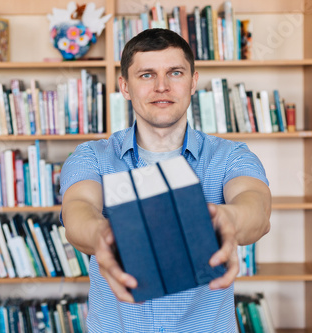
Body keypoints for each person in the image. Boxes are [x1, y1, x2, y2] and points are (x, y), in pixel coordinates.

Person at [60, 28, 271, 332]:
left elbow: (257, 207)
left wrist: (228, 218)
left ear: (193, 82)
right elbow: (77, 209)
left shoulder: (230, 155)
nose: (162, 86)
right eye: (146, 75)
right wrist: (102, 235)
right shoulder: (92, 156)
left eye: (175, 72)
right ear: (125, 86)